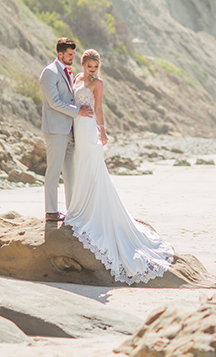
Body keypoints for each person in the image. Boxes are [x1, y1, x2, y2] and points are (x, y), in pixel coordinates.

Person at [64, 48, 174, 284]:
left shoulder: (98, 83)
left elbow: (100, 108)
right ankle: (78, 207)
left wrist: (103, 131)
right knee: (79, 166)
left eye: (96, 67)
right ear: (83, 64)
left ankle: (91, 211)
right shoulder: (76, 78)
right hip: (76, 129)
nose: (92, 70)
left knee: (93, 169)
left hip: (89, 130)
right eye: (89, 66)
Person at [40, 37, 94, 222]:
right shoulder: (49, 72)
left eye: (73, 54)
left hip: (70, 130)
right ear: (60, 53)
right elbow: (54, 102)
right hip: (55, 130)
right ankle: (51, 211)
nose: (73, 57)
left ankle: (73, 211)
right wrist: (78, 111)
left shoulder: (68, 72)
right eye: (70, 54)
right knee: (54, 172)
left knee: (71, 172)